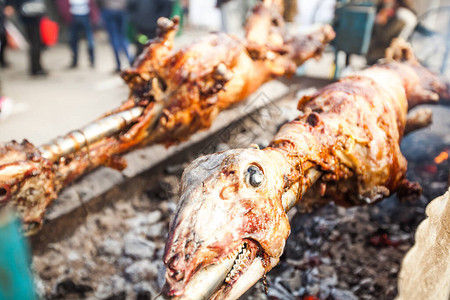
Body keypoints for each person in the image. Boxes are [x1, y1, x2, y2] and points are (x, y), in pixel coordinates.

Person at [367, 0, 417, 64]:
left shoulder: (402, 14)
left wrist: (379, 23)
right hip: (381, 56)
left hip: (384, 57)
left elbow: (385, 36)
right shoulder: (393, 10)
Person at [57, 0, 99, 68]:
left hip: (85, 14)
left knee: (89, 38)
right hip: (73, 15)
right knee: (73, 39)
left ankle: (92, 60)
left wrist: (94, 16)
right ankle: (75, 60)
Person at [11, 0, 49, 76]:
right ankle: (36, 68)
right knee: (35, 44)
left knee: (35, 44)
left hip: (31, 17)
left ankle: (36, 67)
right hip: (30, 18)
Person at [97, 0, 132, 72]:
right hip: (121, 9)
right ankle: (130, 60)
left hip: (109, 10)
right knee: (122, 37)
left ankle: (118, 64)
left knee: (114, 38)